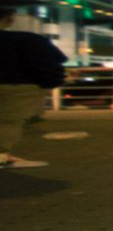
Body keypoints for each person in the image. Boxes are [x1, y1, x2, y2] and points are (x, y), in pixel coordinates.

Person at [0, 11, 66, 168]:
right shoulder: (28, 40)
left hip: (15, 84)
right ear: (9, 18)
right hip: (16, 86)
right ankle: (1, 156)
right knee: (6, 122)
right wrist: (47, 83)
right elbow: (50, 64)